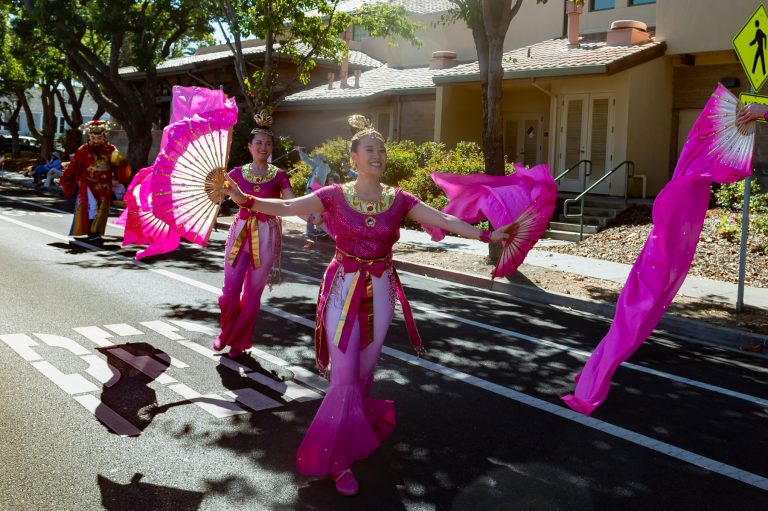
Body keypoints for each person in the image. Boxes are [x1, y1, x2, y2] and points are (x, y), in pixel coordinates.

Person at [221, 115, 510, 496]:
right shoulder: (334, 195)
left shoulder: (399, 199)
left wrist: (487, 233)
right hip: (343, 286)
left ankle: (355, 433)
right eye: (369, 150)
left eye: (382, 150)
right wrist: (248, 199)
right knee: (342, 378)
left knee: (363, 373)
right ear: (353, 158)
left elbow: (440, 218)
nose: (378, 155)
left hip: (382, 289)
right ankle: (335, 460)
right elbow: (289, 209)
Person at [212, 111, 296, 358]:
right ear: (249, 146)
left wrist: (314, 214)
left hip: (267, 233)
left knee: (252, 294)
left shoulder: (279, 175)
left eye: (268, 144)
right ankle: (225, 333)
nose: (263, 147)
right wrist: (217, 190)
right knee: (230, 291)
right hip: (240, 231)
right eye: (258, 143)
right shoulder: (236, 173)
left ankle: (238, 341)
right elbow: (217, 197)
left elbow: (292, 204)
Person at [60, 120, 131, 239]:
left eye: (99, 138)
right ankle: (90, 231)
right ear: (89, 137)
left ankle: (96, 231)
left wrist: (121, 165)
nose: (96, 141)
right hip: (88, 182)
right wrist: (67, 179)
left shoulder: (111, 149)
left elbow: (119, 166)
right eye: (93, 138)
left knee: (103, 208)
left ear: (104, 137)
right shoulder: (84, 149)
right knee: (92, 206)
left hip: (105, 184)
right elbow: (74, 165)